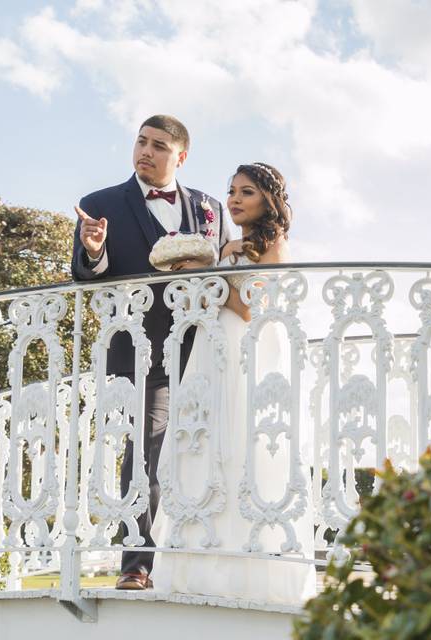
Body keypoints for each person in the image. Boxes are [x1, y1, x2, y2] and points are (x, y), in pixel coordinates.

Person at [71, 115, 229, 590]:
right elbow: (83, 274)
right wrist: (94, 250)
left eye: (159, 145)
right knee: (145, 453)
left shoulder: (209, 206)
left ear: (180, 156)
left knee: (212, 448)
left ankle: (206, 557)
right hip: (142, 354)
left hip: (203, 348)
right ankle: (136, 564)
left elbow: (222, 268)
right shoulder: (98, 205)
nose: (145, 151)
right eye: (141, 141)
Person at [152, 162, 315, 605]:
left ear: (268, 199)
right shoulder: (230, 244)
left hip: (248, 347)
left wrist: (211, 276)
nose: (235, 199)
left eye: (246, 192)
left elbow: (251, 308)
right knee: (202, 441)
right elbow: (219, 296)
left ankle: (247, 568)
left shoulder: (273, 243)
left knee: (242, 443)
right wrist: (201, 269)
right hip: (210, 348)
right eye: (232, 191)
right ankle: (197, 560)